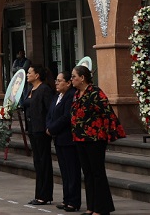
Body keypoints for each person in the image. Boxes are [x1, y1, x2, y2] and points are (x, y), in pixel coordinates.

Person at [71, 65, 125, 215]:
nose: (72, 79)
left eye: (74, 76)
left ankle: (101, 208)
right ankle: (91, 206)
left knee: (97, 172)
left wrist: (109, 133)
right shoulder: (77, 94)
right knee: (87, 173)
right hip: (80, 137)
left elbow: (107, 113)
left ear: (82, 78)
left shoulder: (95, 93)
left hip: (95, 138)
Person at [46, 71, 81, 212]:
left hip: (68, 139)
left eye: (60, 80)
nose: (56, 83)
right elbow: (50, 114)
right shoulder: (57, 96)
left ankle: (74, 201)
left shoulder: (71, 96)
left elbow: (66, 117)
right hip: (58, 139)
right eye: (56, 80)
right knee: (64, 171)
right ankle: (67, 199)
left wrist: (52, 128)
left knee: (72, 172)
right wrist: (48, 126)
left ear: (68, 83)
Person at [22, 64, 55, 206]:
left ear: (37, 75)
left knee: (44, 162)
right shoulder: (30, 89)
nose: (27, 75)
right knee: (37, 162)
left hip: (42, 130)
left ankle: (45, 195)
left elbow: (50, 110)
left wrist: (49, 127)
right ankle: (39, 194)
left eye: (29, 72)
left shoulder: (45, 90)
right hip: (32, 129)